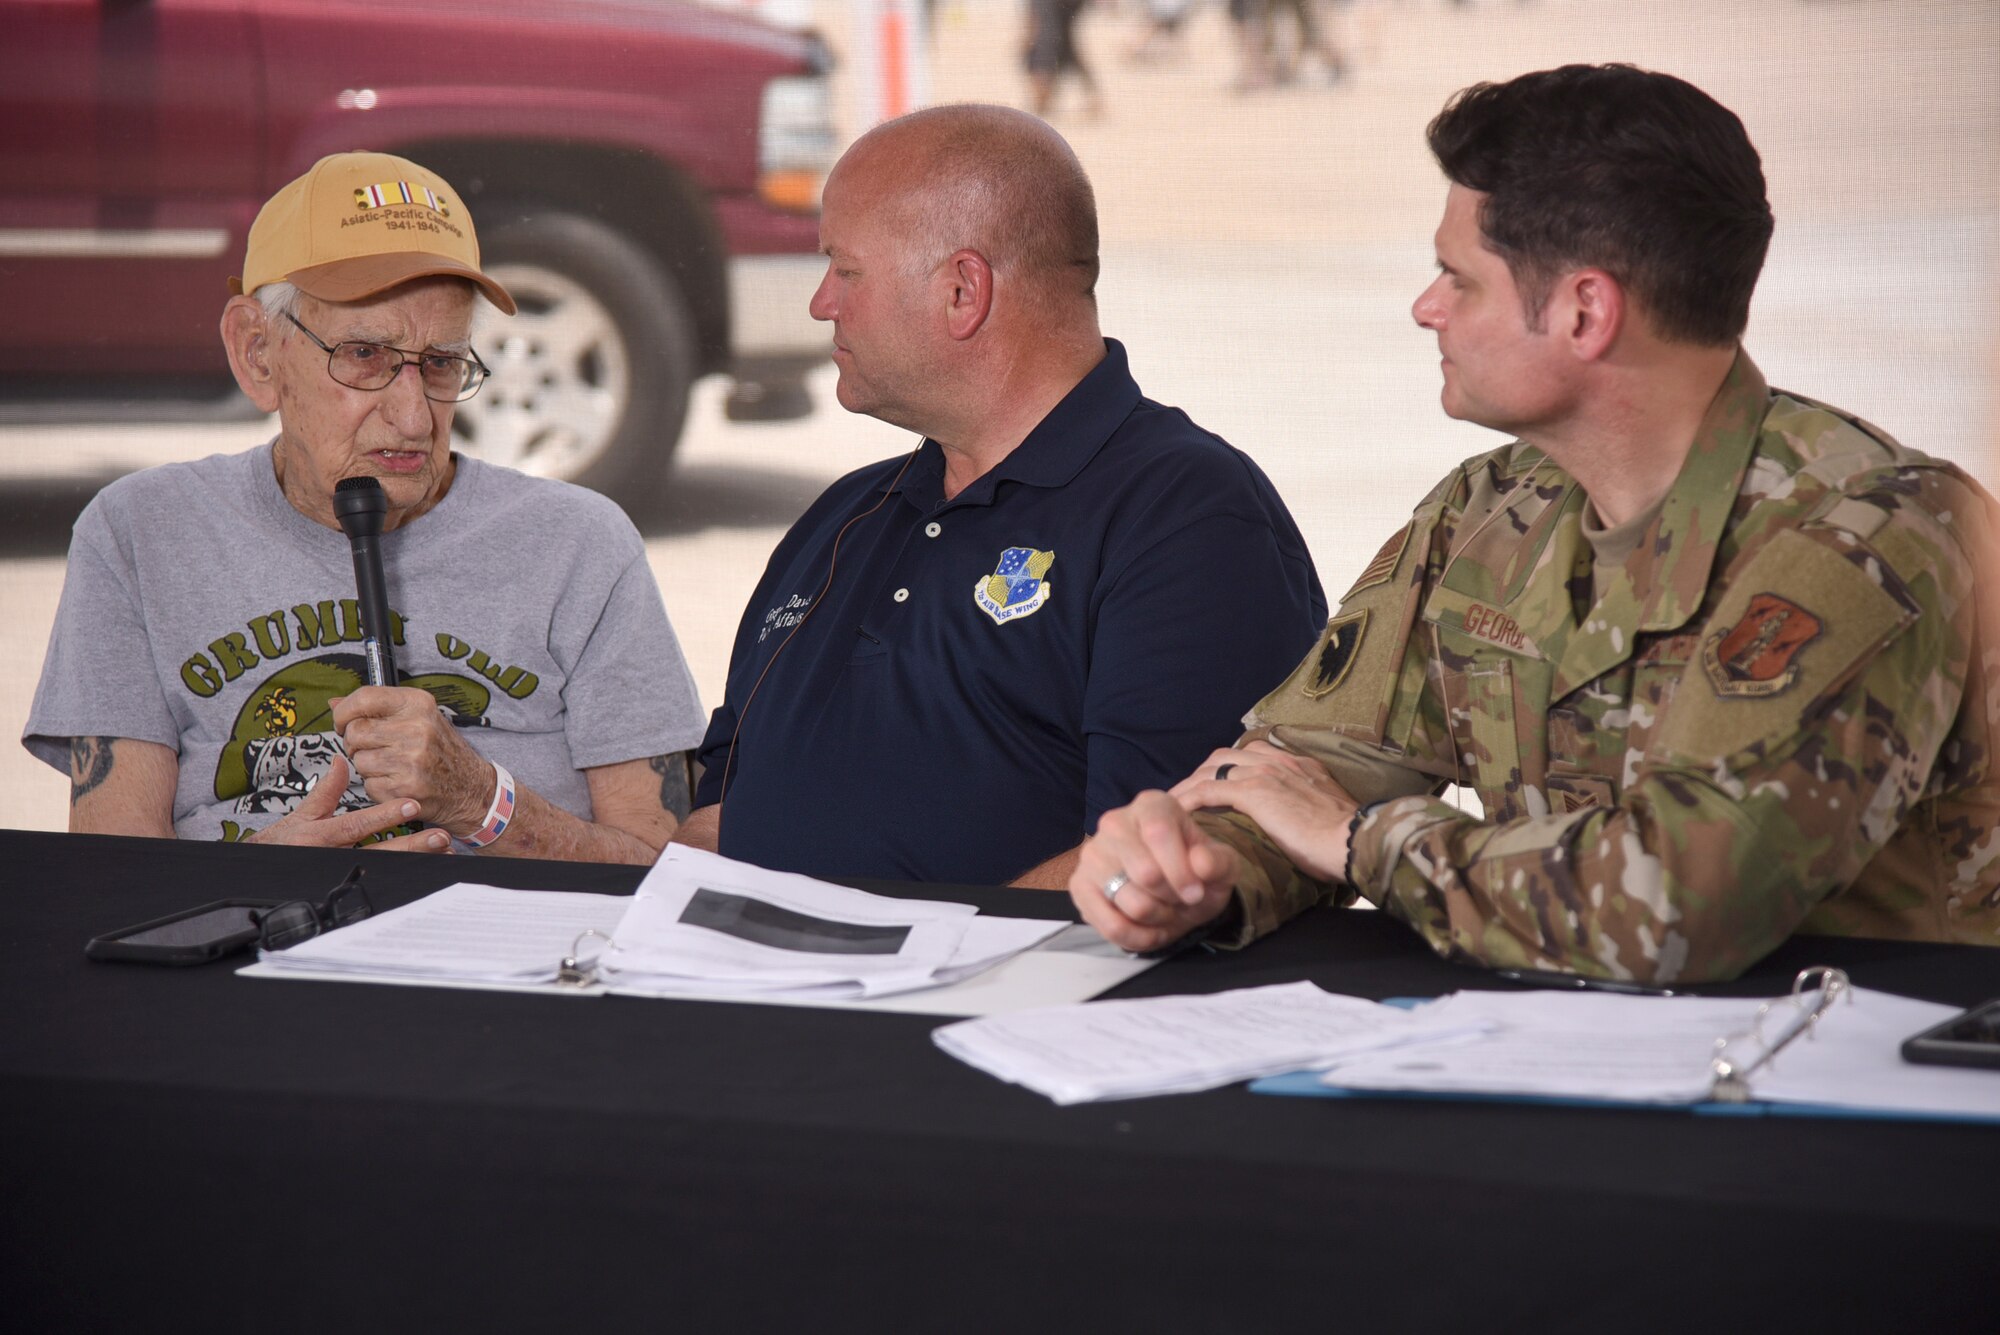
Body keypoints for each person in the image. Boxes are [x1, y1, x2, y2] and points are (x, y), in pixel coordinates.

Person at [1072, 65, 1999, 982]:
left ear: (1585, 311)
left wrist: (1361, 841)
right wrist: (1202, 869)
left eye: (1457, 278)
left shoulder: (1873, 535)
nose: (1424, 307)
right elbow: (1309, 768)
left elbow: (1676, 901)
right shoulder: (1489, 511)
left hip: (1862, 1086)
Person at [677, 104, 1325, 887]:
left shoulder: (1185, 517)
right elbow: (714, 809)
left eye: (845, 270)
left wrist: (909, 969)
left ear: (962, 291)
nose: (822, 303)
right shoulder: (845, 515)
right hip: (747, 991)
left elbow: (1163, 867)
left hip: (1001, 1006)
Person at [23, 151, 705, 862]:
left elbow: (659, 875)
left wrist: (484, 802)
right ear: (258, 353)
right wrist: (265, 878)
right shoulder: (140, 534)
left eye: (442, 363)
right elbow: (111, 880)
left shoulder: (580, 545)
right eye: (363, 356)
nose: (413, 418)